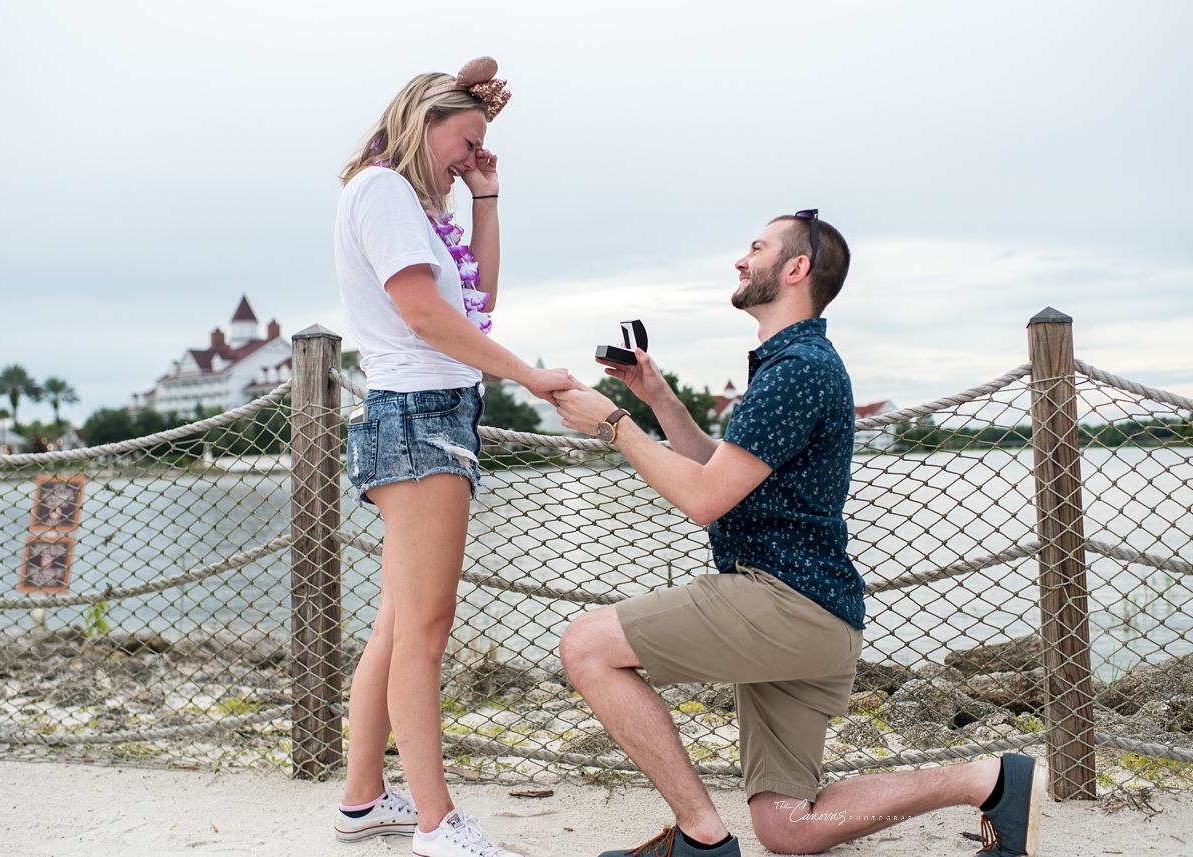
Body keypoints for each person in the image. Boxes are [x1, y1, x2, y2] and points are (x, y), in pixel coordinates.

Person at [553, 212, 1046, 857]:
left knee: (586, 645)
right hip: (814, 616)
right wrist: (657, 396)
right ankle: (989, 781)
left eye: (755, 248)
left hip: (785, 602)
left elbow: (703, 501)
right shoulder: (794, 364)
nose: (740, 260)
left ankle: (703, 840)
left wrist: (613, 423)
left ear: (795, 269)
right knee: (789, 828)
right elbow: (720, 473)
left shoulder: (796, 370)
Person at [332, 57, 571, 856]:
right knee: (426, 629)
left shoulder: (414, 202)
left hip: (432, 410)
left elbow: (479, 300)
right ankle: (437, 824)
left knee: (399, 623)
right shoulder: (383, 190)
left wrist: (485, 195)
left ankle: (365, 799)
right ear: (423, 122)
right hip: (421, 413)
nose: (469, 157)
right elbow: (428, 315)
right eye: (464, 143)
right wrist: (530, 375)